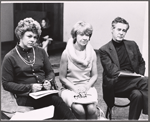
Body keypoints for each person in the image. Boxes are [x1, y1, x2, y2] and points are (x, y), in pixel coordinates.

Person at [1, 17, 77, 120]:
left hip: (44, 92)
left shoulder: (41, 51)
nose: (33, 40)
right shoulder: (10, 57)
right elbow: (6, 84)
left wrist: (48, 81)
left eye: (35, 37)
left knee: (55, 106)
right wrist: (30, 87)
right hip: (25, 97)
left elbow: (50, 72)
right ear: (20, 35)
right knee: (55, 102)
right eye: (29, 36)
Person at [99, 17, 148, 120]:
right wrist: (140, 79)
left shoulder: (132, 44)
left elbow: (141, 62)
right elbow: (112, 72)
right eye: (119, 29)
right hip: (116, 84)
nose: (121, 33)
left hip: (134, 82)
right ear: (112, 30)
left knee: (137, 94)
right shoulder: (104, 50)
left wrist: (139, 75)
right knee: (146, 81)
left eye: (124, 30)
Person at [59, 21, 98, 119]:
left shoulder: (92, 53)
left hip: (87, 87)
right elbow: (62, 78)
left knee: (92, 110)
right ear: (75, 35)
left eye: (87, 35)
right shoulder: (66, 53)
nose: (85, 38)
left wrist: (86, 87)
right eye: (81, 34)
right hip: (70, 88)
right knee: (79, 110)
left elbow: (94, 75)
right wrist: (75, 89)